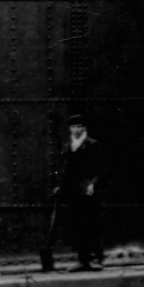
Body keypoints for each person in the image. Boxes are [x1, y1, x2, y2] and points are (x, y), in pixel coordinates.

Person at [44, 114, 105, 272]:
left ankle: (97, 259)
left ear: (84, 128)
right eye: (73, 127)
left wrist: (92, 184)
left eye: (79, 127)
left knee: (91, 225)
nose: (77, 130)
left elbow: (100, 168)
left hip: (87, 191)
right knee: (77, 227)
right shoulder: (68, 146)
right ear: (70, 129)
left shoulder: (92, 144)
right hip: (72, 192)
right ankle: (83, 260)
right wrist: (59, 186)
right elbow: (65, 170)